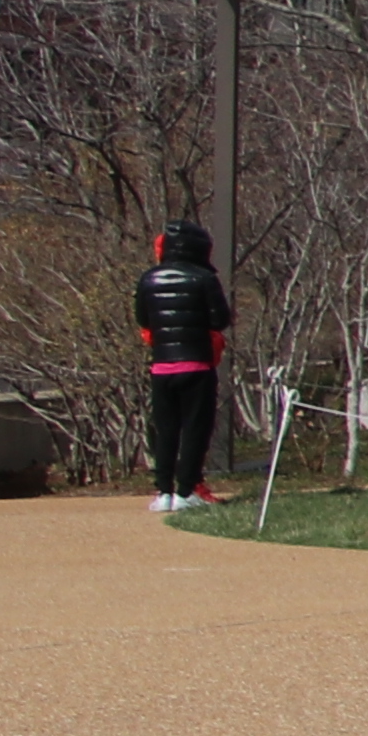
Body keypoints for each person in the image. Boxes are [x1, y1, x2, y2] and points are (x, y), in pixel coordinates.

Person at [137, 219, 234, 514]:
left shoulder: (148, 279)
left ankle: (163, 490)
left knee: (166, 430)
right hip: (196, 364)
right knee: (195, 428)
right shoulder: (204, 278)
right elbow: (220, 319)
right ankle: (187, 489)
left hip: (162, 365)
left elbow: (143, 319)